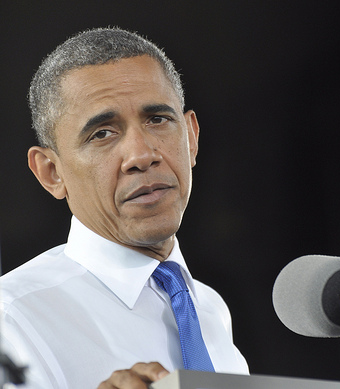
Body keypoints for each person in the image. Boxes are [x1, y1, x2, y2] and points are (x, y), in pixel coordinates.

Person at [0, 27, 248, 388]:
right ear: (51, 172)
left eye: (158, 119)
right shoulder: (11, 319)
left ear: (191, 137)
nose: (142, 155)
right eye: (102, 133)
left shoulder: (210, 309)